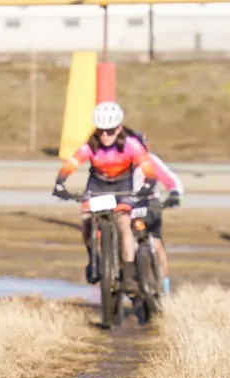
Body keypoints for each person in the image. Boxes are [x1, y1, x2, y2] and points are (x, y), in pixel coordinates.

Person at [52, 101, 158, 293]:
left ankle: (128, 273)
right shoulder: (90, 145)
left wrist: (149, 184)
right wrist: (60, 183)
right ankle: (93, 258)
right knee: (85, 218)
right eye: (101, 131)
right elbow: (72, 163)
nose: (105, 136)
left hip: (123, 184)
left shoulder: (130, 145)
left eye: (109, 131)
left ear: (118, 128)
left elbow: (147, 166)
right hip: (98, 184)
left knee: (124, 223)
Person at [130, 131, 183, 294]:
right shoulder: (121, 162)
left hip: (150, 204)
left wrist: (175, 194)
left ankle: (165, 284)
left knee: (156, 242)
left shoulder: (151, 160)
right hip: (127, 205)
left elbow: (170, 179)